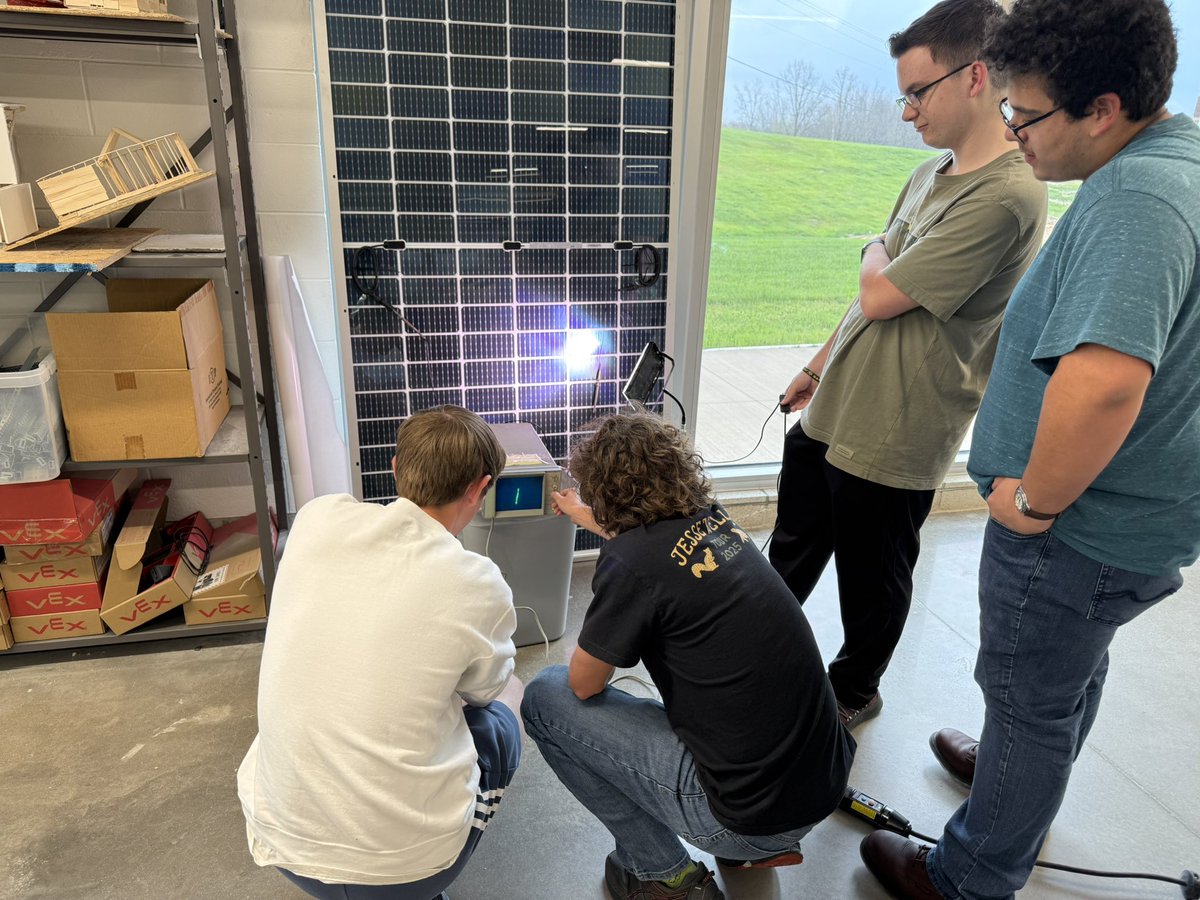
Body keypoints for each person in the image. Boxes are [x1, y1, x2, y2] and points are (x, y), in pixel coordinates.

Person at [859, 1, 1200, 897]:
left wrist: (1031, 502)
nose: (1014, 132)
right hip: (1133, 522)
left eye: (1026, 113)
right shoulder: (1178, 161)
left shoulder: (1135, 201)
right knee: (1064, 676)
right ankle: (1019, 781)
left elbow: (1105, 382)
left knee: (1028, 693)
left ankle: (971, 873)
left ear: (1104, 108)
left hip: (1077, 529)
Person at [769, 0, 1047, 729]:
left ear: (976, 77)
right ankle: (753, 658)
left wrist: (873, 251)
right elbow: (868, 297)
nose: (907, 111)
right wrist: (818, 367)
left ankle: (854, 690)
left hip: (899, 427)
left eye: (918, 92)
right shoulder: (928, 174)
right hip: (839, 404)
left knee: (872, 580)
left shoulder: (1009, 194)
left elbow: (882, 291)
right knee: (790, 549)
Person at [522, 413, 855, 900]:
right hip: (818, 781)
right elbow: (653, 550)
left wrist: (585, 644)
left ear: (604, 490)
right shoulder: (714, 521)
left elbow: (583, 684)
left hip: (748, 817)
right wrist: (587, 516)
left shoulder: (630, 565)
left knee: (545, 697)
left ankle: (664, 874)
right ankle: (753, 850)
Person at [236, 405, 523, 900]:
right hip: (409, 870)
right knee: (507, 701)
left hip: (281, 841)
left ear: (394, 468)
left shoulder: (316, 519)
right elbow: (484, 692)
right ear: (479, 489)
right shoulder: (478, 583)